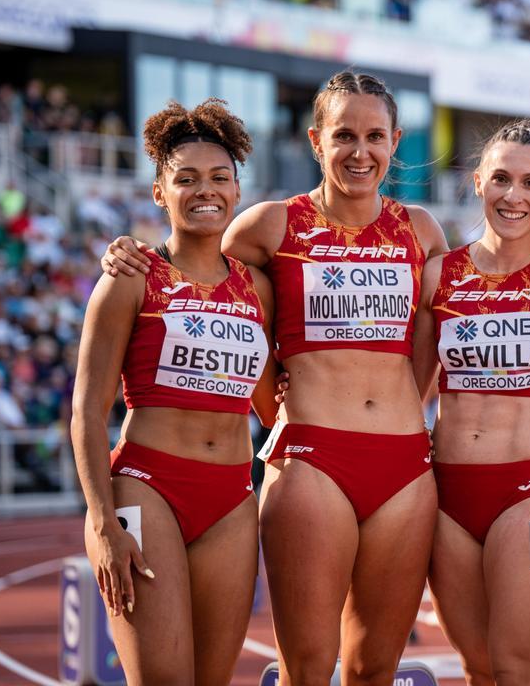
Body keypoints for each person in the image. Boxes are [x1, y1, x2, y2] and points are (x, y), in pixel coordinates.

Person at [101, 72, 448, 686]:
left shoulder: (422, 231)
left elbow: (429, 344)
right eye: (344, 135)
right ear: (317, 140)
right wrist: (129, 252)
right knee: (308, 668)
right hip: (314, 458)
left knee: (374, 670)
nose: (359, 151)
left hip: (404, 464)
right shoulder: (268, 226)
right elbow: (201, 274)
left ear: (396, 141)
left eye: (374, 136)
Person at [72, 98, 275, 685]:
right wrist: (104, 522)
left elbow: (270, 402)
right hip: (146, 490)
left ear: (238, 190)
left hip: (233, 500)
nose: (203, 191)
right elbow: (86, 413)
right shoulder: (129, 279)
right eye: (185, 179)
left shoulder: (258, 288)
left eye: (218, 178)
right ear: (160, 192)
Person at [411, 121, 530, 685]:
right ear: (477, 183)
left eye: (529, 182)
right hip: (447, 496)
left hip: (528, 493)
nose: (512, 195)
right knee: (477, 667)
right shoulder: (439, 275)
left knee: (517, 668)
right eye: (500, 179)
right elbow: (411, 390)